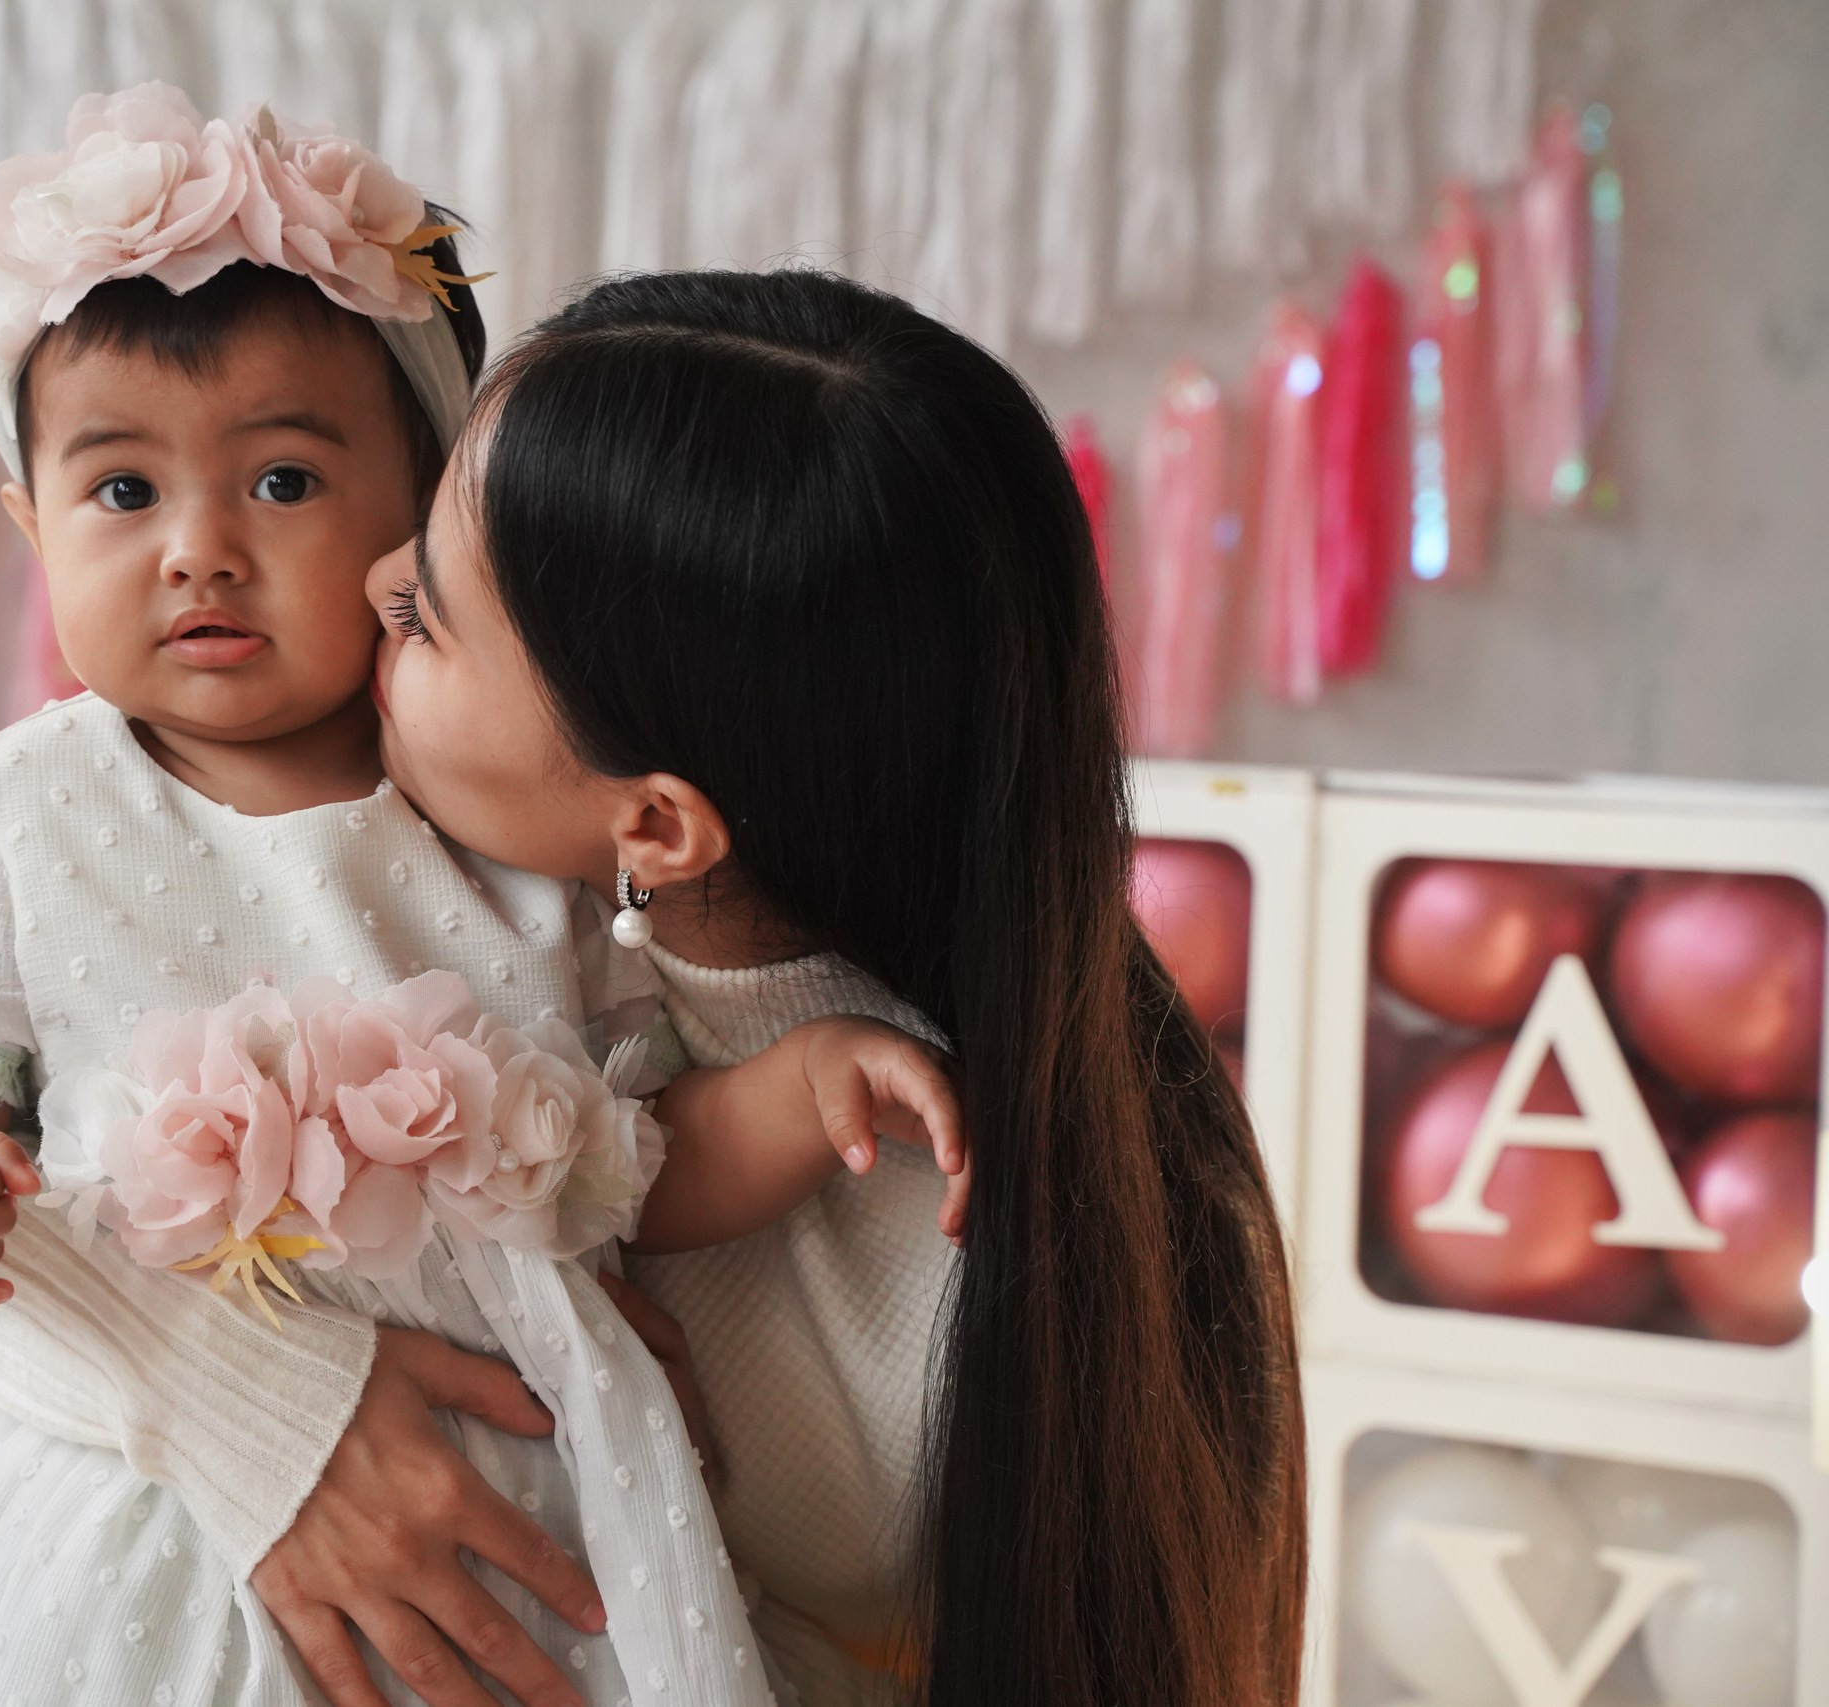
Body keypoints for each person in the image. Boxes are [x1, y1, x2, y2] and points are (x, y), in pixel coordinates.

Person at [0, 88, 962, 1707]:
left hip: (534, 1520)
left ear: (421, 508)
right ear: (30, 523)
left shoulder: (513, 834)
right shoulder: (18, 821)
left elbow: (621, 1170)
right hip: (141, 1531)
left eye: (280, 484)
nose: (198, 550)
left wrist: (799, 1089)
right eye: (123, 493)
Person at [363, 268, 1308, 1706]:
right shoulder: (428, 867)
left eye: (427, 616)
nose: (370, 586)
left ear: (656, 826)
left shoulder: (993, 1245)